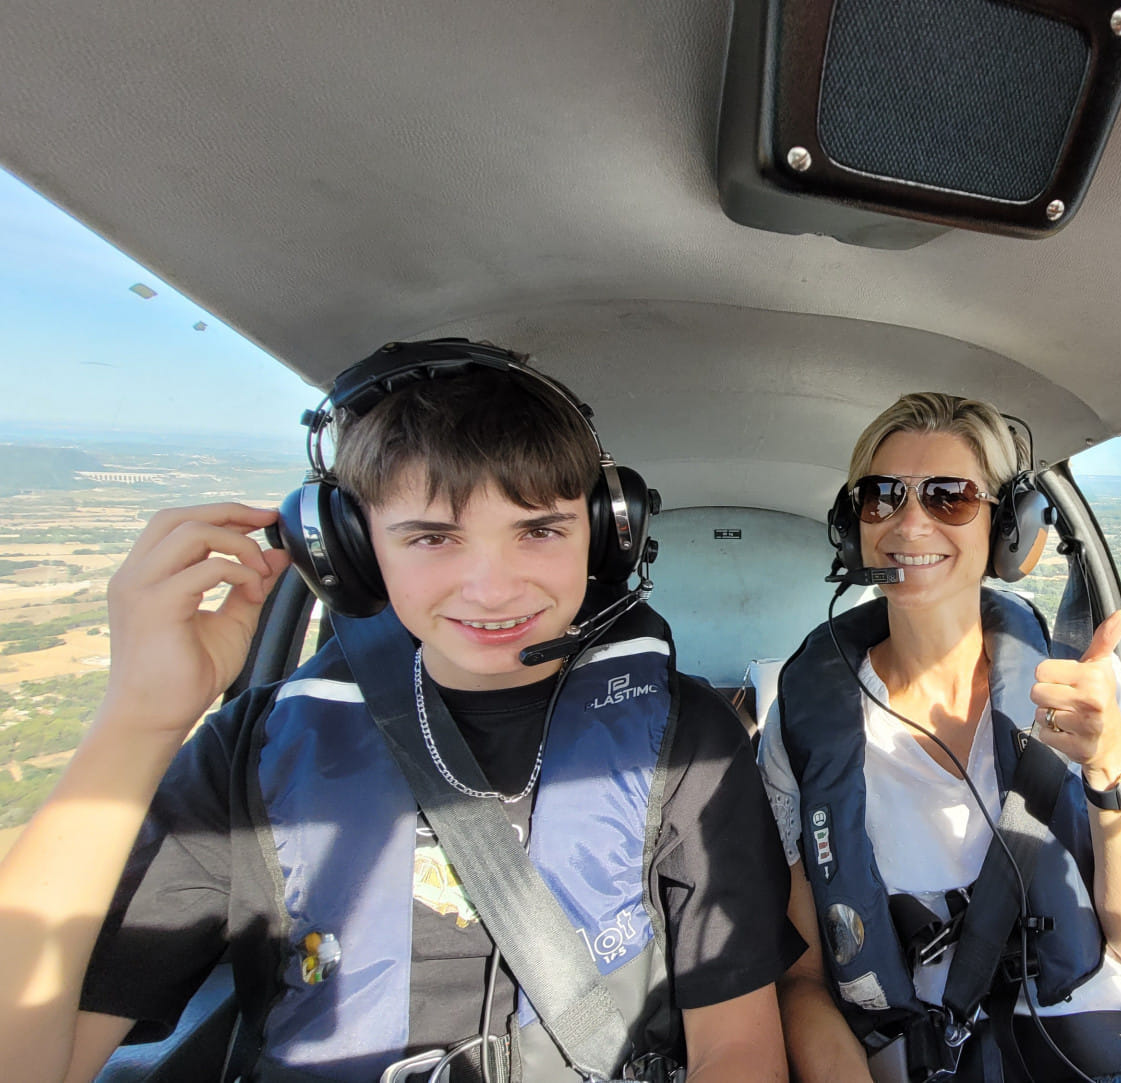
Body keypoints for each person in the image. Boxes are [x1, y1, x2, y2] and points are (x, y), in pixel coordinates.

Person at [0, 339, 801, 1082]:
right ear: (349, 550)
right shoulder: (253, 751)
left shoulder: (682, 741)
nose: (493, 588)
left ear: (603, 535)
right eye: (431, 538)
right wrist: (138, 720)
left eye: (539, 530)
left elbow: (738, 1047)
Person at [758, 393, 1121, 1082]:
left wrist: (1110, 760)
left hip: (1068, 1051)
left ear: (1007, 528)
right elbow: (803, 977)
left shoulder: (1076, 683)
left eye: (950, 496)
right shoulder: (801, 721)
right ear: (852, 524)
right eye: (882, 496)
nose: (910, 522)